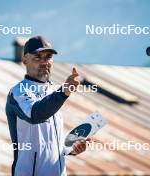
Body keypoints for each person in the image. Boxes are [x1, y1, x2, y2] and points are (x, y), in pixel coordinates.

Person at [5, 36, 90, 176]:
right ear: (25, 60)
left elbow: (53, 143)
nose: (45, 62)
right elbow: (35, 114)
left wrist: (73, 148)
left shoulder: (54, 92)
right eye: (38, 57)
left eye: (48, 57)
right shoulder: (18, 91)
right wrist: (64, 91)